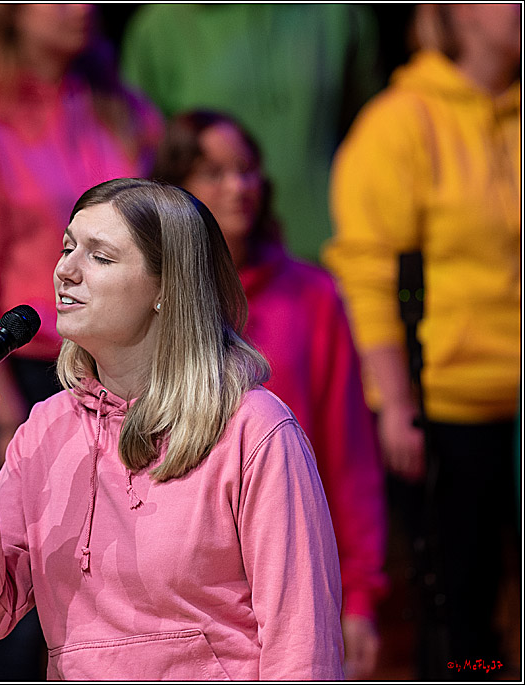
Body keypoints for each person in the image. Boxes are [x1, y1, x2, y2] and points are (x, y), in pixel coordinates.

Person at [0, 177, 344, 680]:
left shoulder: (253, 428)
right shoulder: (46, 431)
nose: (64, 271)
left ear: (166, 288)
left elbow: (302, 648)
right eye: (68, 248)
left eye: (99, 257)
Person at [153, 109, 388, 679]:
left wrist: (359, 595)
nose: (239, 187)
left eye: (248, 170)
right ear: (174, 194)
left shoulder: (311, 296)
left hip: (295, 572)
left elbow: (349, 454)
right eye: (214, 172)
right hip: (179, 595)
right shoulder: (150, 302)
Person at [324, 4, 520, 679]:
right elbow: (369, 269)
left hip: (515, 394)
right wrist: (398, 398)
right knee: (459, 608)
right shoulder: (401, 121)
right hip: (445, 400)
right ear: (459, 11)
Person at [0, 3, 163, 468]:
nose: (83, 7)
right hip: (42, 370)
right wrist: (5, 414)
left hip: (139, 360)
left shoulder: (121, 109)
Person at [120, 4, 384, 263]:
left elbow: (370, 132)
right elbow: (145, 157)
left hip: (333, 246)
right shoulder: (159, 27)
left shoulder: (337, 14)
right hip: (207, 260)